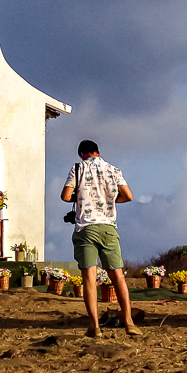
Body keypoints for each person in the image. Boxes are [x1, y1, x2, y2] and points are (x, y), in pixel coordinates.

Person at [61, 139, 141, 338]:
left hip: (86, 228)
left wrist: (80, 199)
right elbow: (128, 196)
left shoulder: (78, 168)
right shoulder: (114, 170)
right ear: (97, 152)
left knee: (89, 278)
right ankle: (129, 322)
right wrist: (110, 201)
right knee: (118, 276)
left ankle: (94, 326)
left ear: (82, 154)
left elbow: (65, 196)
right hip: (108, 227)